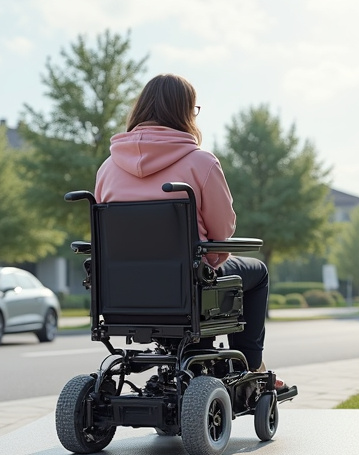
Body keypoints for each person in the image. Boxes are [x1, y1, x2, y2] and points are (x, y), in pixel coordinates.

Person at [94, 73, 285, 391]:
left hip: (124, 292)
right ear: (185, 112)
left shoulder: (107, 169)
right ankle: (251, 365)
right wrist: (212, 257)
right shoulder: (200, 162)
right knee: (258, 273)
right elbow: (222, 230)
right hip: (187, 284)